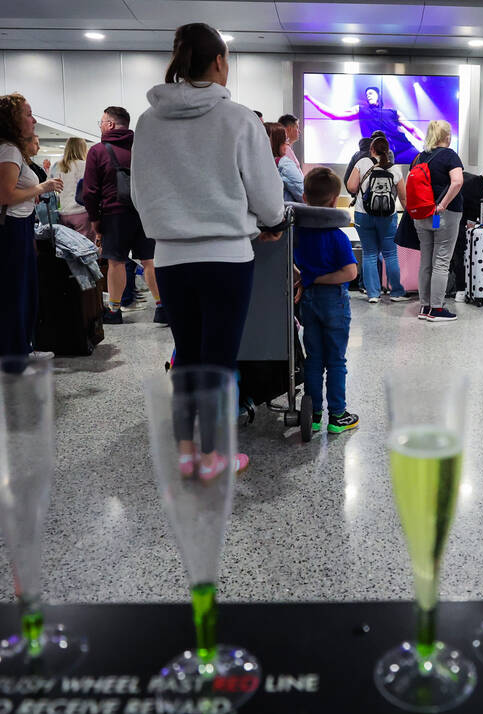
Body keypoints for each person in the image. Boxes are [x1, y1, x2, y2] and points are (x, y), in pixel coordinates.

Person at [131, 23, 286, 476]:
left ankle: (184, 453)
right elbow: (268, 196)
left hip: (172, 258)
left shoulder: (148, 120)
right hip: (227, 258)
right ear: (218, 61)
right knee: (219, 358)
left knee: (187, 354)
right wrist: (270, 223)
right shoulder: (238, 118)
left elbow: (141, 194)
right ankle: (217, 455)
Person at [0, 93, 62, 360]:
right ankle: (15, 356)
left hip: (7, 227)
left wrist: (29, 192)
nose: (33, 119)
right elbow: (6, 195)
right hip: (6, 229)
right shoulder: (8, 151)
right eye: (27, 114)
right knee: (13, 294)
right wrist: (42, 187)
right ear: (12, 119)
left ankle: (21, 349)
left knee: (16, 291)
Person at [294, 168, 360, 434]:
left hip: (308, 303)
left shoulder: (298, 234)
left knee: (313, 359)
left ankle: (315, 413)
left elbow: (294, 265)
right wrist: (318, 279)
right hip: (334, 302)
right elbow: (350, 272)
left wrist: (306, 278)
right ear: (335, 201)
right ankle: (338, 415)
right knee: (336, 361)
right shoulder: (337, 236)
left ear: (304, 197)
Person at [84, 105, 157, 324]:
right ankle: (163, 307)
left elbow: (90, 192)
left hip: (114, 214)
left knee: (116, 262)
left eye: (101, 122)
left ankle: (114, 311)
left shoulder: (97, 151)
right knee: (149, 261)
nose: (100, 126)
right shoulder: (143, 148)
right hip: (144, 213)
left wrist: (95, 220)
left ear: (110, 124)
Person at [410, 120, 464, 322]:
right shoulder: (449, 155)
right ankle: (437, 309)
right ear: (447, 136)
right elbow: (458, 181)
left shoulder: (420, 157)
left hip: (422, 215)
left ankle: (424, 306)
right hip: (443, 215)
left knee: (426, 260)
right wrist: (442, 204)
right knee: (441, 261)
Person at [346, 134, 408, 303]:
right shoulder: (394, 169)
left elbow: (351, 186)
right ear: (387, 151)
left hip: (363, 215)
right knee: (390, 254)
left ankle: (373, 294)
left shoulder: (362, 163)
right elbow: (403, 196)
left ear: (371, 149)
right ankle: (396, 292)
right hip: (388, 216)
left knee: (369, 254)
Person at [303, 86, 424, 164]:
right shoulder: (361, 110)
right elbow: (335, 115)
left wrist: (426, 143)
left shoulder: (393, 112)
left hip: (403, 149)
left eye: (371, 93)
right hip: (378, 155)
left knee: (423, 162)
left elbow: (413, 129)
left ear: (379, 95)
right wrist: (310, 98)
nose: (368, 95)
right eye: (367, 94)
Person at [50, 137, 93, 240]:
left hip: (63, 212)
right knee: (85, 249)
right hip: (81, 212)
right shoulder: (85, 165)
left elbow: (50, 187)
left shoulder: (57, 166)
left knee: (68, 247)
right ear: (82, 148)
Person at [267, 123, 304, 203]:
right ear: (277, 142)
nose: (287, 144)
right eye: (285, 140)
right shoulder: (285, 164)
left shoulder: (257, 164)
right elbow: (303, 194)